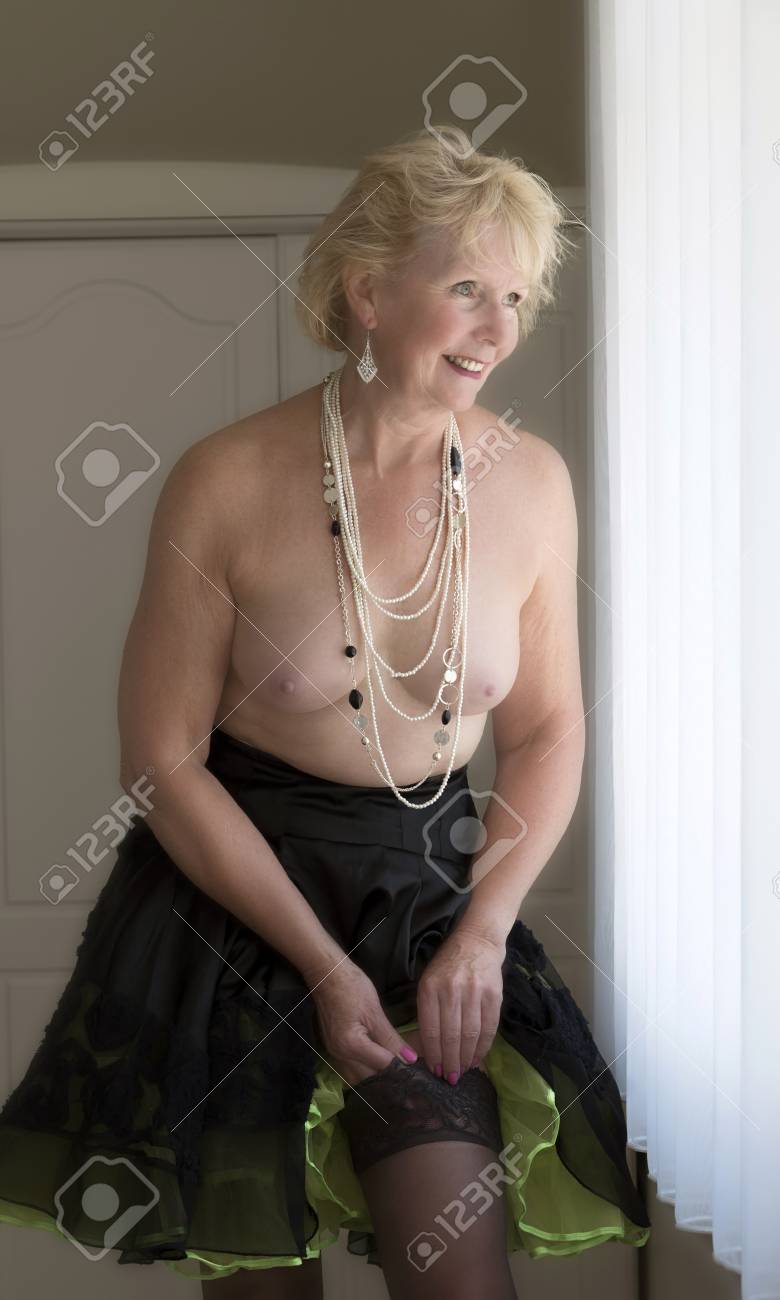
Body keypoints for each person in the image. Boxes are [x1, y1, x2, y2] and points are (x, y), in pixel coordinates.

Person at [0, 124, 651, 1298]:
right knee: (262, 1285)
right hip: (236, 909)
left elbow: (548, 731)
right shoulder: (226, 478)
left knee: (462, 1282)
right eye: (468, 289)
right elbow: (162, 758)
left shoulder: (533, 484)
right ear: (367, 291)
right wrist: (320, 966)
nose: (500, 329)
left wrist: (484, 932)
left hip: (428, 905)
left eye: (515, 297)